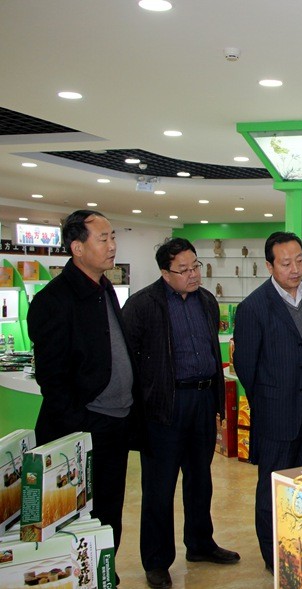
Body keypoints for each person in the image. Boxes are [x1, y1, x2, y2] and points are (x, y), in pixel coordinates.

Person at [122, 238, 239, 589]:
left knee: (200, 479)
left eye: (195, 266)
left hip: (202, 401)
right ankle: (157, 561)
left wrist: (216, 403)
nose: (193, 274)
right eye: (184, 269)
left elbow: (213, 354)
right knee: (159, 488)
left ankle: (200, 544)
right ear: (165, 272)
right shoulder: (142, 305)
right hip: (165, 407)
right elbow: (129, 362)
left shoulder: (206, 301)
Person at [28, 209, 137, 555]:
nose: (112, 246)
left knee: (110, 510)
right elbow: (53, 380)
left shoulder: (105, 288)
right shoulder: (54, 300)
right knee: (78, 515)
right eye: (103, 239)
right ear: (77, 248)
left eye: (113, 237)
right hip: (85, 428)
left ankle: (106, 572)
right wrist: (82, 424)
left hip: (116, 423)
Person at [233, 232, 302, 573]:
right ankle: (274, 555)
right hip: (277, 413)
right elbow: (246, 367)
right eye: (286, 263)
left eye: (299, 260)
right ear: (269, 266)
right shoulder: (254, 307)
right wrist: (269, 403)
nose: (295, 269)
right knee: (274, 487)